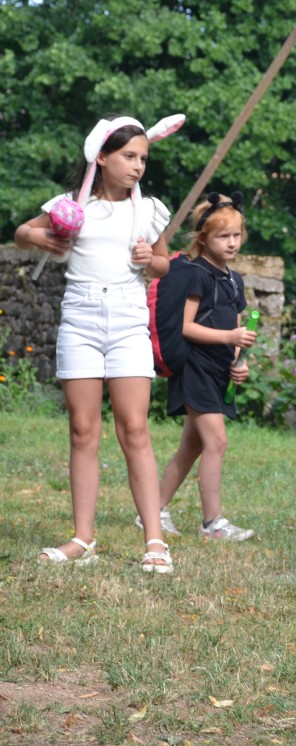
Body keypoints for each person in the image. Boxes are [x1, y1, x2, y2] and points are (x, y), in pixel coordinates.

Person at [16, 113, 186, 573]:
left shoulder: (148, 210)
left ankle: (155, 541)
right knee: (83, 430)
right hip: (81, 319)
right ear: (102, 157)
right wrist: (39, 236)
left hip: (128, 321)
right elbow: (22, 233)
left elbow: (164, 265)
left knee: (134, 429)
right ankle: (82, 539)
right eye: (129, 156)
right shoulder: (73, 206)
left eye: (143, 158)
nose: (138, 166)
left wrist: (151, 259)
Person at [146, 192, 258, 541]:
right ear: (204, 238)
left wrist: (239, 362)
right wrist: (230, 337)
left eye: (236, 235)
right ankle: (212, 524)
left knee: (191, 447)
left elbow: (236, 331)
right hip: (195, 369)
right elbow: (187, 327)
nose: (232, 243)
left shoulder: (234, 280)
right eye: (223, 236)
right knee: (217, 442)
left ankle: (153, 511)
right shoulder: (197, 274)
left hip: (219, 371)